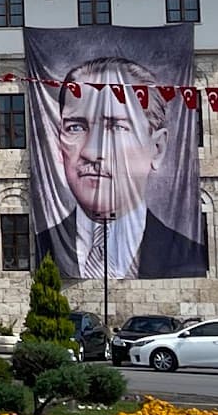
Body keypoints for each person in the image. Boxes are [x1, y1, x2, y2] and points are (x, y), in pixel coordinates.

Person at [36, 55, 207, 280]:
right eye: (76, 127)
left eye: (116, 127)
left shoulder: (188, 255)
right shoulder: (41, 244)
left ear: (157, 148)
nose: (91, 152)